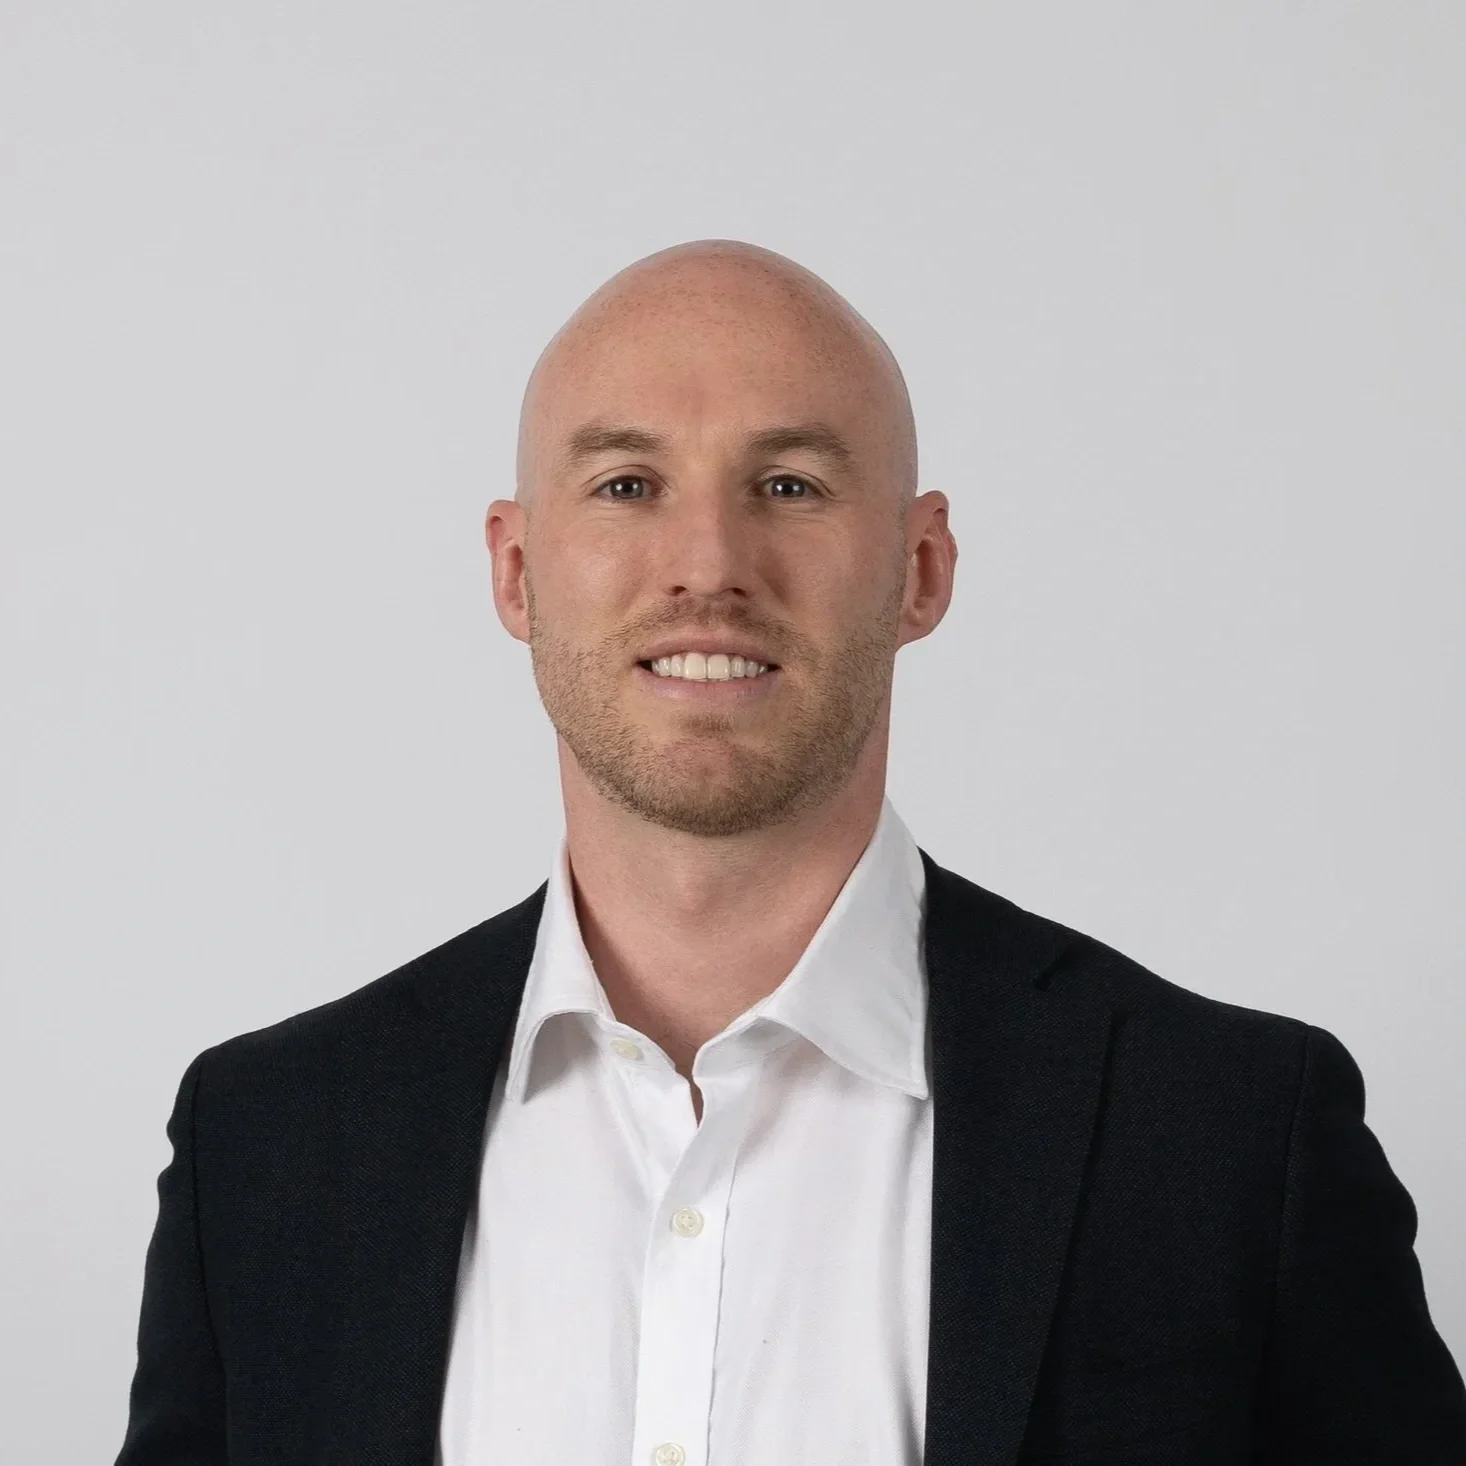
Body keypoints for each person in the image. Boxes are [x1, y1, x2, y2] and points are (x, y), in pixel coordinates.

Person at [115, 239, 1466, 1465]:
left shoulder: (1233, 1135)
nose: (708, 560)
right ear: (516, 571)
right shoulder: (268, 1149)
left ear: (920, 566)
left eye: (789, 483)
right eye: (628, 483)